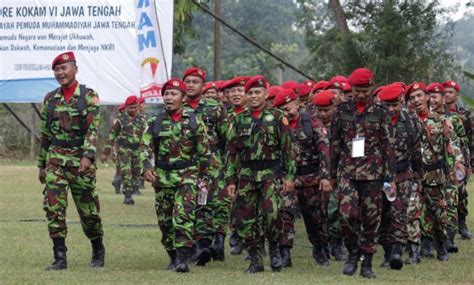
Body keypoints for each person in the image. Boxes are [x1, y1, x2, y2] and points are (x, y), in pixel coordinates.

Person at [38, 51, 104, 271]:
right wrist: (41, 164)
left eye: (64, 68)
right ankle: (60, 257)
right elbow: (45, 134)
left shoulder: (88, 96)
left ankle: (97, 247)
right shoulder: (50, 99)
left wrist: (88, 156)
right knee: (53, 208)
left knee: (89, 212)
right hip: (55, 160)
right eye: (57, 69)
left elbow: (93, 129)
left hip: (80, 160)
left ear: (75, 69)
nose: (60, 73)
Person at [225, 75, 296, 273]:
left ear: (266, 94)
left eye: (258, 92)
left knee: (272, 214)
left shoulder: (277, 117)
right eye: (250, 93)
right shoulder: (238, 120)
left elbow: (289, 150)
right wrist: (230, 180)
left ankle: (274, 251)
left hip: (270, 174)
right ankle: (255, 259)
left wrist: (289, 176)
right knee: (246, 219)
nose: (254, 96)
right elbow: (231, 153)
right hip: (247, 175)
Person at [140, 78, 211, 273]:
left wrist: (205, 177)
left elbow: (204, 151)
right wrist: (146, 167)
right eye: (166, 94)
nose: (169, 98)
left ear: (183, 97)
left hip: (187, 177)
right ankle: (172, 255)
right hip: (162, 178)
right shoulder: (155, 122)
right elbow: (145, 147)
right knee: (165, 222)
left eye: (174, 94)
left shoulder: (194, 121)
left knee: (183, 217)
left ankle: (182, 258)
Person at [330, 68, 396, 278]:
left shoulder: (381, 111)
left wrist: (390, 176)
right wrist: (330, 174)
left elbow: (388, 146)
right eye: (357, 90)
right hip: (347, 171)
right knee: (347, 214)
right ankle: (353, 252)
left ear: (371, 89)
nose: (360, 94)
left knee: (371, 218)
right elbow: (335, 143)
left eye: (364, 90)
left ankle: (366, 263)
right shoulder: (341, 110)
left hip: (373, 173)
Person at [273, 88, 332, 267]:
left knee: (315, 218)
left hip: (311, 178)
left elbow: (324, 151)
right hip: (287, 180)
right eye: (281, 109)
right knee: (285, 214)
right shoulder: (276, 125)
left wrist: (325, 176)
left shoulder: (312, 123)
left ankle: (320, 247)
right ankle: (285, 252)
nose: (286, 112)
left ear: (297, 104)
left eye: (288, 108)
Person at [409, 82, 463, 262]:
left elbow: (453, 144)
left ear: (427, 97)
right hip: (414, 176)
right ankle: (415, 252)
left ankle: (440, 245)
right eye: (412, 98)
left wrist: (458, 163)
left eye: (419, 96)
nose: (416, 100)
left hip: (435, 176)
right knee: (412, 212)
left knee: (438, 215)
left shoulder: (441, 120)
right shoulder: (407, 121)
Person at [182, 67, 229, 265]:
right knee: (189, 203)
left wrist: (225, 164)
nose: (191, 85)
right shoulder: (178, 107)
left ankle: (211, 243)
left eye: (195, 81)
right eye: (188, 81)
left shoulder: (214, 107)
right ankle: (195, 245)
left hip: (212, 162)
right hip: (187, 163)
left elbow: (226, 137)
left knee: (212, 203)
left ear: (203, 85)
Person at [377, 83, 423, 270]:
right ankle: (387, 251)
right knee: (382, 215)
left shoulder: (412, 122)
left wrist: (418, 177)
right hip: (378, 177)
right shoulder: (373, 121)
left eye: (395, 104)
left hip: (403, 174)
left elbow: (416, 152)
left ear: (402, 102)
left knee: (399, 213)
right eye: (387, 105)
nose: (391, 109)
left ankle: (397, 250)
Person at [313, 90, 347, 261]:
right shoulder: (311, 124)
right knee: (320, 211)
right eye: (320, 110)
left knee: (337, 209)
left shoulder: (342, 123)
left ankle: (337, 243)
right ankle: (322, 243)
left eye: (327, 109)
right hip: (316, 175)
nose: (323, 114)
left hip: (338, 173)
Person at [101, 96, 145, 205]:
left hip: (137, 150)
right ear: (126, 108)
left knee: (136, 173)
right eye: (130, 108)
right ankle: (128, 196)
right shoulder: (120, 120)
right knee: (126, 173)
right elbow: (111, 136)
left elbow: (147, 136)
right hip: (124, 150)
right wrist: (106, 153)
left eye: (135, 107)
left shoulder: (142, 119)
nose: (133, 110)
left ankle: (134, 188)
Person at [443, 80, 473, 240]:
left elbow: (470, 138)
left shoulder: (466, 113)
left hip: (461, 157)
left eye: (450, 92)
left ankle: (462, 224)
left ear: (456, 94)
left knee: (460, 193)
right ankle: (447, 227)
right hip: (443, 158)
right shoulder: (437, 113)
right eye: (445, 92)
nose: (447, 95)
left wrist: (470, 162)